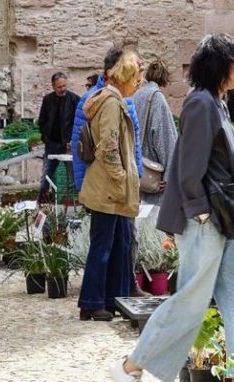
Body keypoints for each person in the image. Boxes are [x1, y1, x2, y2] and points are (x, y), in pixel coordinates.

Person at [109, 33, 234, 382]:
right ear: (220, 66)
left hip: (221, 222)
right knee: (191, 303)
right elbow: (187, 167)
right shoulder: (200, 104)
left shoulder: (217, 104)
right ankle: (130, 367)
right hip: (204, 220)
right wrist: (202, 211)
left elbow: (211, 160)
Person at [71, 47, 149, 298]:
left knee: (120, 245)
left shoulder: (113, 100)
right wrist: (123, 178)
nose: (139, 85)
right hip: (109, 188)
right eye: (137, 79)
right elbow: (108, 148)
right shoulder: (112, 102)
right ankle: (93, 301)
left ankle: (117, 297)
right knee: (103, 247)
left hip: (114, 187)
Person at [133, 60, 178, 205]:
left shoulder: (136, 95)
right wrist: (170, 179)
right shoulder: (156, 98)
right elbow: (165, 141)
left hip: (136, 170)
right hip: (153, 176)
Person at [37, 71, 79, 203]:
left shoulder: (74, 99)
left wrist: (72, 140)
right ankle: (42, 204)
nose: (63, 89)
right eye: (59, 87)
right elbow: (42, 120)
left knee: (74, 177)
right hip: (52, 145)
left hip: (68, 145)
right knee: (46, 177)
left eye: (64, 85)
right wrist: (46, 137)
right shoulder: (48, 100)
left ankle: (79, 205)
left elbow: (78, 123)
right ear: (53, 86)